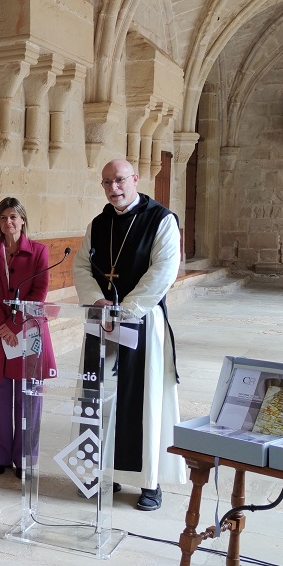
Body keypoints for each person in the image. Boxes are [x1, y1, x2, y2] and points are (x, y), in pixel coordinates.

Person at [73, 159, 184, 510]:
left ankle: (149, 482)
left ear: (135, 179)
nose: (113, 188)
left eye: (119, 180)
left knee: (144, 402)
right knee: (98, 397)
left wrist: (125, 310)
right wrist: (97, 301)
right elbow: (81, 266)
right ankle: (100, 472)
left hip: (142, 321)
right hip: (101, 321)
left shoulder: (161, 220)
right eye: (106, 182)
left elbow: (164, 270)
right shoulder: (99, 223)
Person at [0, 197, 57, 477]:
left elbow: (39, 292)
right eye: (3, 217)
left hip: (28, 330)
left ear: (23, 220)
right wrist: (3, 326)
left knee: (28, 398)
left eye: (13, 217)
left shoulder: (40, 252)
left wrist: (15, 325)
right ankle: (0, 457)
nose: (8, 222)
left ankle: (25, 460)